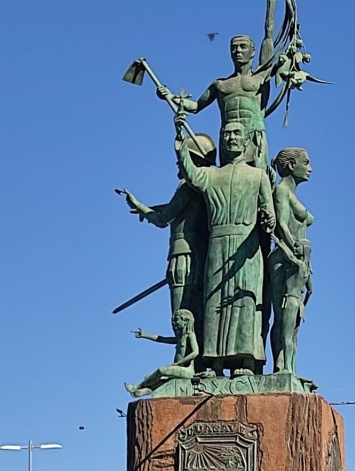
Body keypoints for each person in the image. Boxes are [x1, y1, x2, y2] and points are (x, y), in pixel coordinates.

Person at [174, 112, 275, 376]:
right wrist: (181, 139)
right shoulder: (211, 175)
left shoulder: (258, 176)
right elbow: (191, 173)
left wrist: (268, 219)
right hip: (218, 244)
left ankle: (246, 361)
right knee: (214, 301)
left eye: (236, 134)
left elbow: (268, 212)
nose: (230, 138)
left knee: (245, 300)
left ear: (246, 142)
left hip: (246, 247)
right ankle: (215, 362)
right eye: (226, 134)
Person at [157, 0, 278, 171]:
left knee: (259, 180)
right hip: (228, 137)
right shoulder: (220, 84)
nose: (237, 51)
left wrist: (271, 3)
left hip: (254, 136)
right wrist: (171, 97)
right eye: (234, 48)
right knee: (228, 176)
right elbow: (196, 106)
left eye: (243, 47)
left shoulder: (260, 77)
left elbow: (268, 36)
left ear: (252, 52)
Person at [119, 134, 215, 363]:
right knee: (196, 313)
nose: (177, 164)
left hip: (182, 256)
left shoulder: (186, 186)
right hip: (202, 257)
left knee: (181, 315)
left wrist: (139, 205)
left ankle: (185, 363)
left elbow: (163, 220)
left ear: (192, 159)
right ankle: (197, 362)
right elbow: (182, 210)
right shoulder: (206, 184)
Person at [267, 147, 314, 372]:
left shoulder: (291, 192)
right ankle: (280, 367)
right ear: (290, 165)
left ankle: (290, 367)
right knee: (282, 316)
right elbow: (282, 223)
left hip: (298, 261)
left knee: (293, 320)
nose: (310, 169)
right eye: (305, 163)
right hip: (284, 259)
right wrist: (293, 246)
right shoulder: (282, 190)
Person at [124, 309, 199, 397]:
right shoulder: (179, 338)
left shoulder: (190, 336)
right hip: (177, 368)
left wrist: (178, 363)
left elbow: (195, 352)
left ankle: (137, 387)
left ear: (185, 321)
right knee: (150, 376)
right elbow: (161, 339)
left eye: (176, 320)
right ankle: (145, 391)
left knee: (162, 370)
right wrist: (144, 335)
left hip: (188, 371)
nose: (174, 323)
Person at [269, 235, 312, 376]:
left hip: (290, 300)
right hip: (298, 303)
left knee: (286, 336)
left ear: (304, 250)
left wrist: (279, 243)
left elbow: (289, 257)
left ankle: (287, 368)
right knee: (293, 338)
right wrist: (303, 304)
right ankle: (291, 368)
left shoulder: (299, 264)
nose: (295, 247)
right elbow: (310, 290)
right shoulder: (307, 270)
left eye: (298, 245)